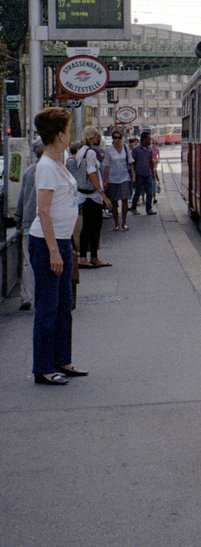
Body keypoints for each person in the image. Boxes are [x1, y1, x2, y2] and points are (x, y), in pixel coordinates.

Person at [27, 107, 87, 385]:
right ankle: (43, 367)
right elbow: (44, 211)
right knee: (48, 307)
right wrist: (53, 250)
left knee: (64, 306)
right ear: (60, 135)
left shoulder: (58, 162)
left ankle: (62, 359)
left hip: (61, 241)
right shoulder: (48, 167)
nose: (70, 135)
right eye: (68, 130)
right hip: (46, 243)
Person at [75, 126, 113, 266]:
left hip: (84, 194)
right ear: (91, 137)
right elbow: (92, 174)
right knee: (94, 226)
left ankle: (86, 257)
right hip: (92, 195)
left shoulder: (82, 151)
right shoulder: (90, 153)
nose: (99, 138)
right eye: (97, 136)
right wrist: (104, 196)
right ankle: (91, 257)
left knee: (88, 226)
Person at [14, 137, 44, 310]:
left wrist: (19, 219)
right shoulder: (53, 170)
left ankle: (27, 296)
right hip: (45, 224)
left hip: (28, 223)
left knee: (28, 262)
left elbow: (21, 200)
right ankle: (43, 294)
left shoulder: (29, 172)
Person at [102, 129, 134, 230]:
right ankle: (116, 223)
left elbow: (130, 162)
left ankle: (124, 222)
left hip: (124, 177)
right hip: (113, 178)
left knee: (125, 200)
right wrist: (105, 180)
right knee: (114, 202)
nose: (117, 140)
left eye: (119, 138)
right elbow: (106, 165)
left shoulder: (125, 147)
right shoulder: (109, 150)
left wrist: (133, 176)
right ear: (112, 139)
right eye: (115, 138)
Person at [131, 130, 155, 215]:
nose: (150, 140)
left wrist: (152, 172)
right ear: (144, 139)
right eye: (148, 138)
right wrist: (133, 175)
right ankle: (133, 207)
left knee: (149, 192)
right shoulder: (136, 149)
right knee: (138, 191)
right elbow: (132, 163)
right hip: (139, 174)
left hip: (147, 173)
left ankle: (149, 209)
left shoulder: (149, 149)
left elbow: (151, 161)